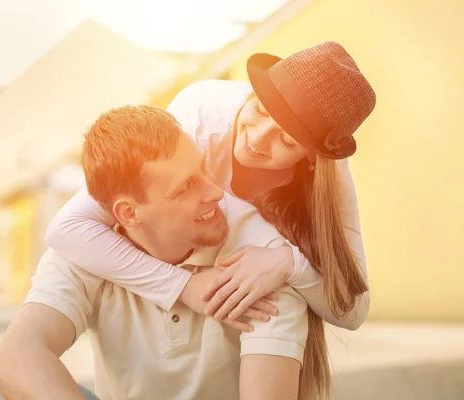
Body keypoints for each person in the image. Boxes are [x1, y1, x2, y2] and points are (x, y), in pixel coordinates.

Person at [46, 41, 376, 397]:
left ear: (311, 157)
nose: (258, 140)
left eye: (286, 139)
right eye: (261, 111)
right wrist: (183, 288)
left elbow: (353, 309)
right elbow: (68, 228)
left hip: (260, 300)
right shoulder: (200, 116)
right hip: (183, 287)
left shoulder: (327, 183)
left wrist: (287, 263)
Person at [0, 105, 311, 399]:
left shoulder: (258, 265)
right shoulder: (84, 253)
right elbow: (14, 361)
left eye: (203, 168)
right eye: (186, 187)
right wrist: (181, 287)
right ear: (129, 214)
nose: (215, 192)